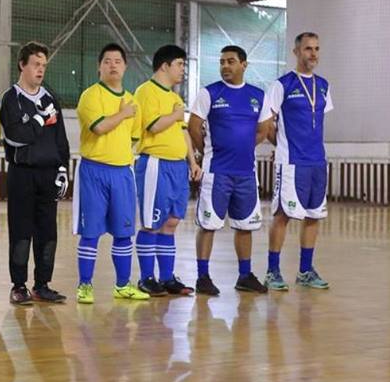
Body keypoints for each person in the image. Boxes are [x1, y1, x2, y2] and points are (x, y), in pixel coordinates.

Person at [187, 45, 268, 296]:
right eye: (221, 62)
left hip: (246, 172)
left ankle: (245, 275)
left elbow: (263, 130)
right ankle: (202, 277)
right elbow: (193, 127)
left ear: (244, 64)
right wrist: (210, 150)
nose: (225, 66)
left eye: (230, 61)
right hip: (217, 172)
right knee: (209, 224)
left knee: (245, 226)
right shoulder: (209, 93)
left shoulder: (258, 95)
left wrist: (242, 147)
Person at [72, 43, 146, 304]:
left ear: (125, 66)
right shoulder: (90, 96)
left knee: (124, 232)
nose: (113, 65)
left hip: (123, 173)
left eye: (117, 61)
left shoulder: (133, 101)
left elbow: (134, 137)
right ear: (99, 66)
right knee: (90, 232)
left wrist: (127, 113)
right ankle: (85, 285)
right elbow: (100, 127)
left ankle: (123, 285)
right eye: (107, 61)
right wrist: (123, 113)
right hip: (94, 171)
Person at [0, 42, 70, 306]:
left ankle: (43, 284)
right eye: (36, 64)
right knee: (21, 232)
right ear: (22, 65)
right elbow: (17, 136)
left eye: (44, 65)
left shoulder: (50, 99)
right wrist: (40, 120)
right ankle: (19, 286)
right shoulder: (11, 98)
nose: (41, 70)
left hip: (48, 174)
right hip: (22, 174)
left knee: (48, 232)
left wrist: (63, 169)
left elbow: (60, 139)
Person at [260, 32, 333, 290]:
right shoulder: (282, 85)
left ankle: (305, 271)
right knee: (283, 215)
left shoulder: (324, 85)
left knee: (314, 216)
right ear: (296, 52)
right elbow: (267, 124)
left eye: (316, 48)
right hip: (291, 162)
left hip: (317, 161)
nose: (313, 53)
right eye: (307, 49)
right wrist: (279, 146)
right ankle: (272, 270)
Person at [132, 44, 201, 297]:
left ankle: (168, 277)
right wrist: (175, 116)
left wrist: (192, 162)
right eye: (180, 64)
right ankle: (146, 278)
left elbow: (182, 132)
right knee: (152, 223)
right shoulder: (146, 91)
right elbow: (153, 125)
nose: (183, 69)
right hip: (155, 163)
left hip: (177, 167)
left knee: (171, 222)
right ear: (165, 66)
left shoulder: (175, 98)